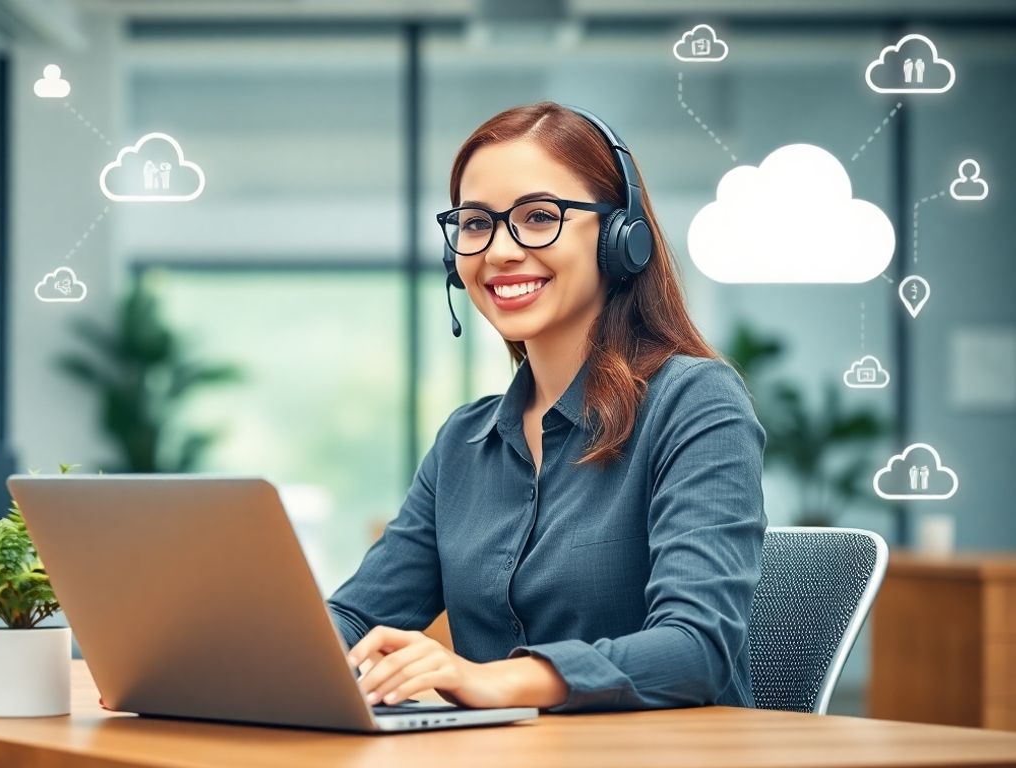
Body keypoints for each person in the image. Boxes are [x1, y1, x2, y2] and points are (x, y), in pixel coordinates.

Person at [325, 102, 766, 713]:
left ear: (620, 239)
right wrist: (266, 655)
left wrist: (491, 681)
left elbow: (695, 649)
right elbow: (356, 614)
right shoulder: (464, 443)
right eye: (476, 224)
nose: (501, 251)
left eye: (538, 217)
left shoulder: (694, 401)